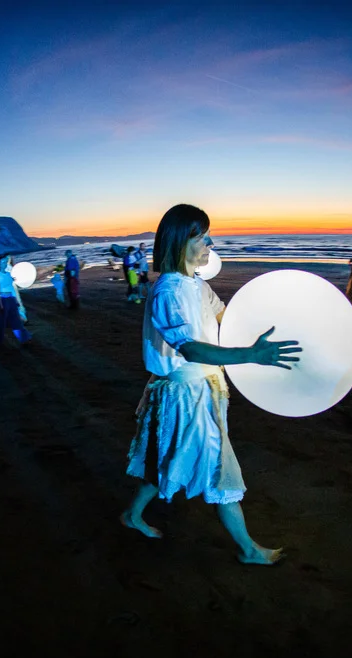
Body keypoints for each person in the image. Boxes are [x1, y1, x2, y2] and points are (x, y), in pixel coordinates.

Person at [121, 204, 302, 565]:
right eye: (202, 237)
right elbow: (189, 348)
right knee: (220, 466)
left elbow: (226, 317)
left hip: (204, 388)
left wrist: (274, 318)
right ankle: (249, 550)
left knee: (166, 458)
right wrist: (251, 355)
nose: (211, 244)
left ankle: (131, 515)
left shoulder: (197, 285)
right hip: (185, 395)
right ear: (179, 242)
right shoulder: (168, 292)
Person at [0, 255, 32, 347]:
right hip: (3, 300)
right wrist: (0, 304)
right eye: (2, 262)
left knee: (16, 320)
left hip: (11, 299)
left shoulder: (9, 274)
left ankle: (24, 338)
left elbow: (12, 288)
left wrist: (16, 300)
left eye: (5, 262)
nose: (4, 264)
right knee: (0, 322)